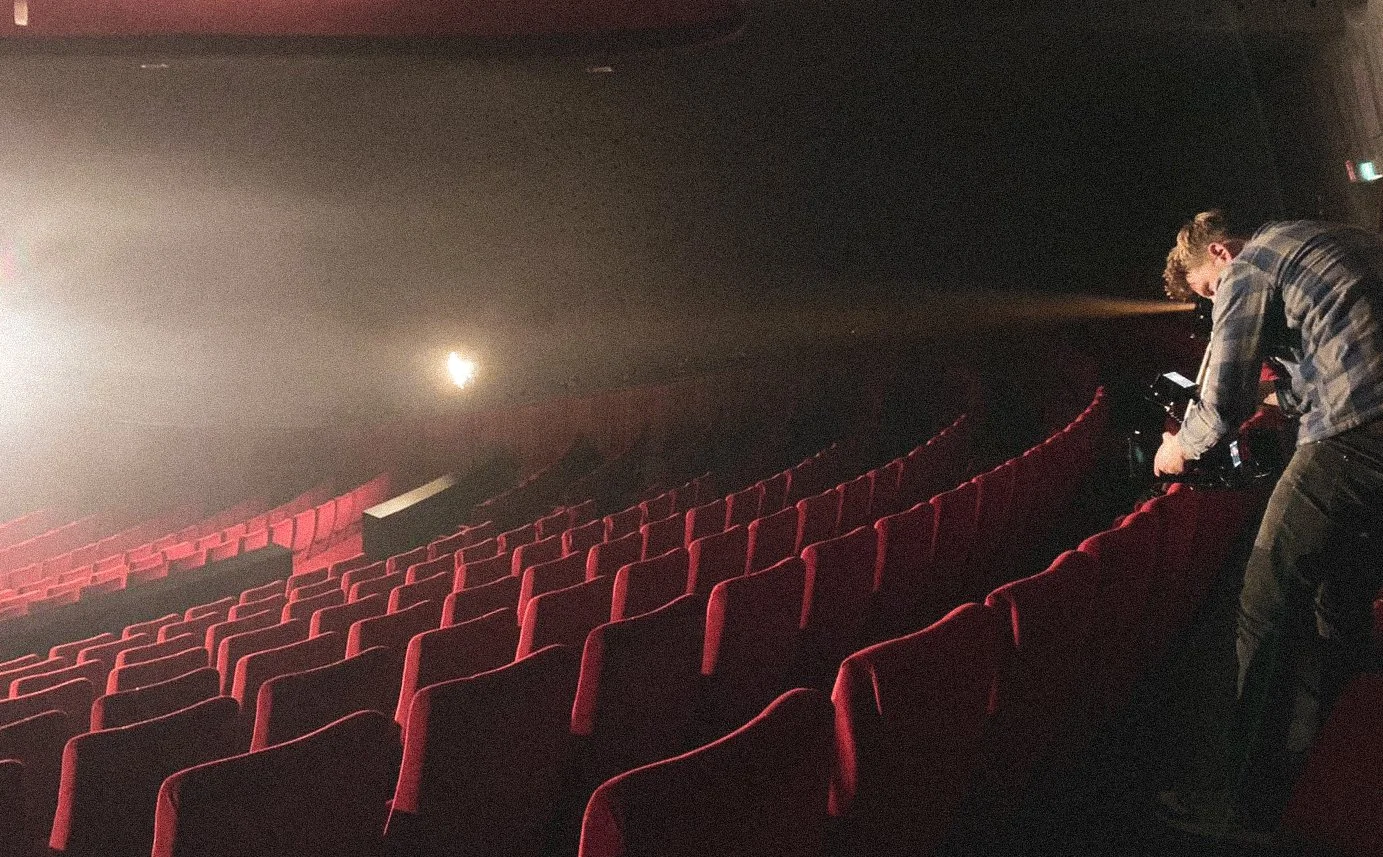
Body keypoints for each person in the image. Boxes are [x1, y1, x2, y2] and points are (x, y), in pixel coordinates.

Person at [1155, 210, 1383, 838]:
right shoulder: (1323, 235)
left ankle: (1241, 803)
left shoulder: (1248, 265)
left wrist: (1180, 448)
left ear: (1220, 256)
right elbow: (1325, 372)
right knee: (1342, 592)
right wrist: (1271, 398)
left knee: (1266, 599)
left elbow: (1221, 399)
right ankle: (1343, 751)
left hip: (1359, 432)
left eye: (1207, 289)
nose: (1213, 300)